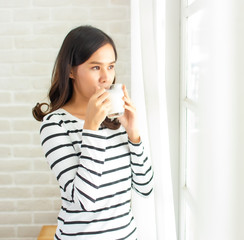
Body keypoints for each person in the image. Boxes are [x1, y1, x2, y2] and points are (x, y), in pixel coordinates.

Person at [32, 25, 154, 240]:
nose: (106, 77)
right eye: (95, 67)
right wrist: (91, 128)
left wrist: (134, 134)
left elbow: (145, 188)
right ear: (71, 70)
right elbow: (84, 201)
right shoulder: (55, 125)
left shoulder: (117, 120)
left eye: (111, 66)